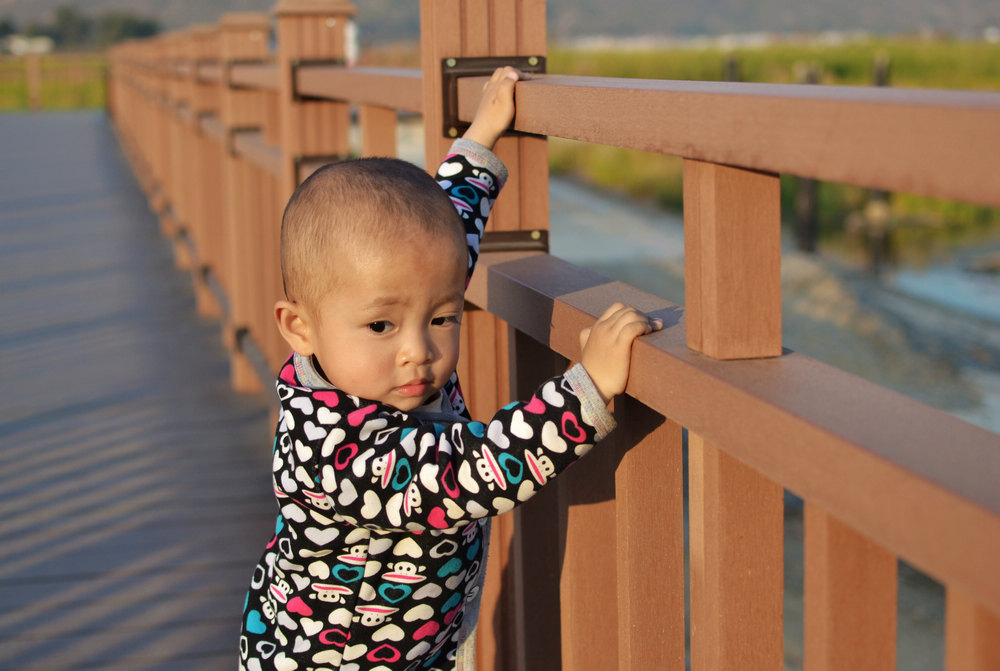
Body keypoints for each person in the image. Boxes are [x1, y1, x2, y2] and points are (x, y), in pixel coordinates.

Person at [239, 67, 662, 671]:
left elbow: (443, 240)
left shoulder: (379, 358)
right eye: (381, 327)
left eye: (442, 319)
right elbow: (475, 472)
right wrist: (584, 387)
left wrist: (480, 139)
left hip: (406, 645)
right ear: (299, 327)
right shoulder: (332, 450)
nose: (418, 349)